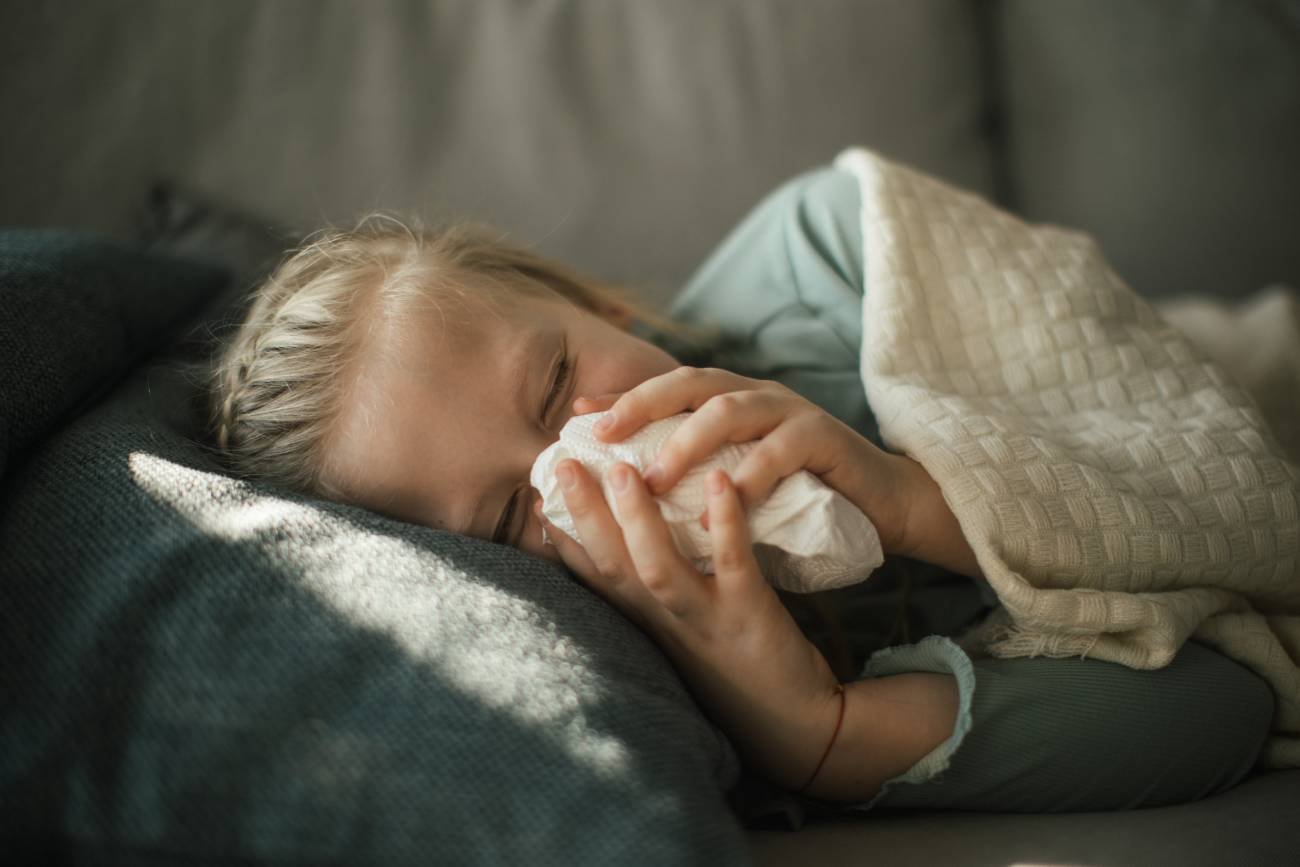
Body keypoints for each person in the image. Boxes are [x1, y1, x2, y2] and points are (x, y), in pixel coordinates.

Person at [209, 162, 1274, 817]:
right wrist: (820, 732)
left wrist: (914, 500)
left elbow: (1209, 483)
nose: (586, 456)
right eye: (509, 513)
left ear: (590, 304)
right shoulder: (685, 678)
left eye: (557, 382)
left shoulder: (830, 258)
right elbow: (1224, 706)